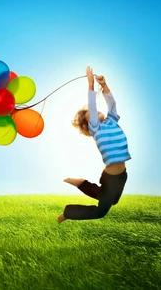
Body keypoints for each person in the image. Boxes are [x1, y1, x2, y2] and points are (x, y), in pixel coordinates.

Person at [57, 66, 131, 223]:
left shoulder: (111, 121)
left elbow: (111, 103)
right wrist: (90, 83)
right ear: (89, 124)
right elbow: (92, 104)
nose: (97, 111)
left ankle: (81, 183)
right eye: (93, 113)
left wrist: (104, 85)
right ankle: (68, 213)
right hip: (111, 177)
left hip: (121, 175)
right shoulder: (96, 128)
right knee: (101, 212)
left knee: (112, 200)